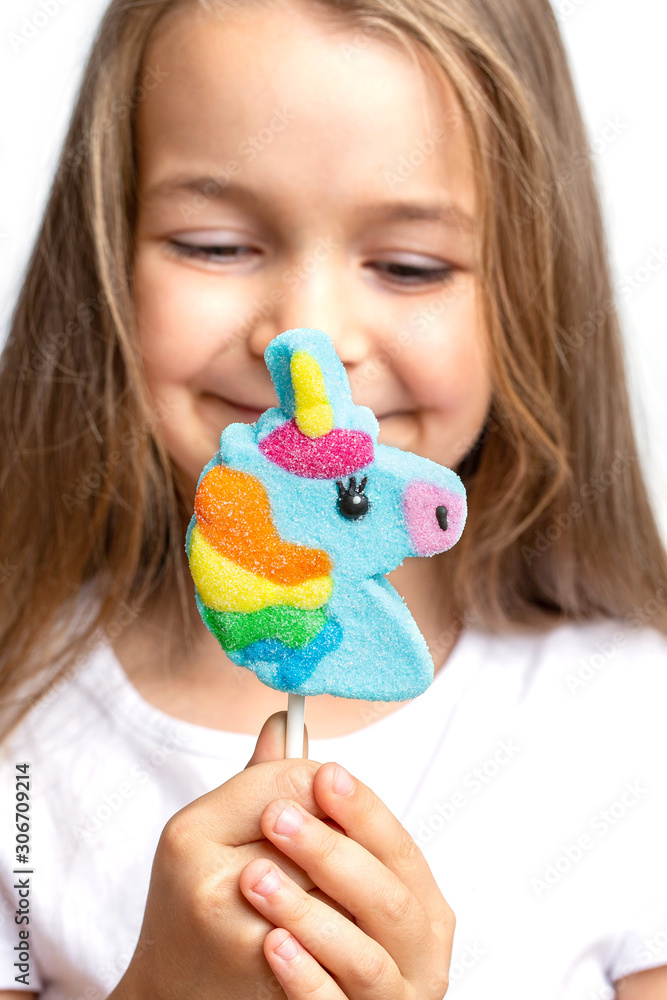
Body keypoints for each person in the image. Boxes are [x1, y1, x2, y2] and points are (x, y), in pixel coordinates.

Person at [1, 0, 666, 997]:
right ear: (104, 258)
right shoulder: (19, 734)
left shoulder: (629, 726)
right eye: (216, 244)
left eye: (408, 265)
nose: (303, 339)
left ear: (530, 290)